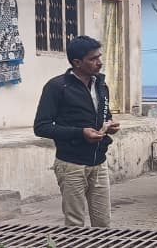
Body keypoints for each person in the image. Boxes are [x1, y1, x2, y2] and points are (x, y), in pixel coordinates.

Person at [33, 36, 121, 228]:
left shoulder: (101, 85)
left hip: (99, 162)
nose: (99, 62)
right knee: (75, 223)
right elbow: (41, 127)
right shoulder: (57, 87)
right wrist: (80, 133)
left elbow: (104, 114)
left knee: (103, 222)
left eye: (99, 57)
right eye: (93, 59)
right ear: (77, 62)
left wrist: (109, 125)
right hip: (71, 164)